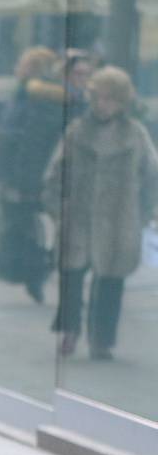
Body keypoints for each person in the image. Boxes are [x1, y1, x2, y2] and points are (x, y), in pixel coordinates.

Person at [43, 64, 158, 361]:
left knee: (110, 281)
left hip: (119, 220)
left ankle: (102, 339)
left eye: (110, 99)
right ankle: (68, 331)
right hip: (78, 217)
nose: (103, 105)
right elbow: (56, 173)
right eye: (99, 98)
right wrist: (58, 208)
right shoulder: (77, 131)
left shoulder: (135, 135)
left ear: (122, 102)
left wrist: (143, 213)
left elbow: (151, 177)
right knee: (71, 276)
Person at [0, 46, 69, 303]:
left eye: (22, 63)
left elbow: (30, 141)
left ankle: (32, 271)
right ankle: (30, 270)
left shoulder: (38, 98)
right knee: (20, 225)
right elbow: (8, 119)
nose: (16, 68)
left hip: (22, 177)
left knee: (22, 226)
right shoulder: (25, 94)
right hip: (13, 174)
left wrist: (20, 179)